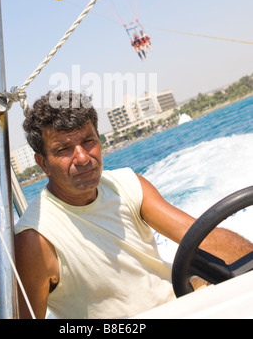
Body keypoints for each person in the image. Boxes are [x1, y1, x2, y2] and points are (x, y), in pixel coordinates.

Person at [15, 91, 253, 319]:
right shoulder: (35, 239)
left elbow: (199, 236)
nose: (83, 158)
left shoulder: (128, 184)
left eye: (88, 141)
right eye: (64, 149)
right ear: (43, 163)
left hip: (183, 303)